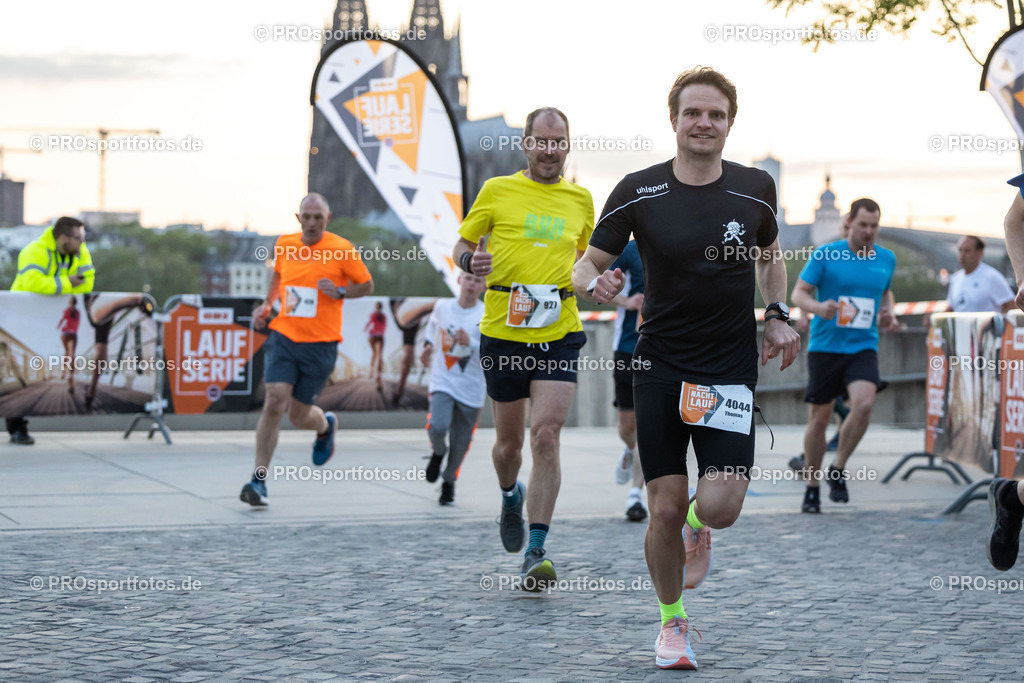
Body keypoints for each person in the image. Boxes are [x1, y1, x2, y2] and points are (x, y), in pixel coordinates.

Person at [572, 67, 800, 670]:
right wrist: (598, 280)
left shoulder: (755, 189)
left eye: (716, 115)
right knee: (663, 506)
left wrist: (776, 313)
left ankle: (701, 525)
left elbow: (771, 260)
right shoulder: (638, 190)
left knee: (719, 504)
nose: (704, 123)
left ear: (730, 124)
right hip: (660, 365)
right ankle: (673, 624)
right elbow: (582, 265)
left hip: (728, 368)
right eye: (693, 113)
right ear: (673, 119)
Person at [453, 106, 594, 590]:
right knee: (509, 446)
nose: (550, 150)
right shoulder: (497, 191)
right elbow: (460, 247)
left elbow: (586, 265)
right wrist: (472, 258)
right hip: (503, 331)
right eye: (542, 141)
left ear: (567, 145)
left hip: (559, 329)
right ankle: (510, 493)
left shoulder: (581, 200)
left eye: (559, 142)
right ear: (527, 144)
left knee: (546, 437)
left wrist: (604, 281)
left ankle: (536, 549)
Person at [240, 193, 374, 506]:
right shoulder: (285, 244)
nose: (312, 222)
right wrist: (267, 304)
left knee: (299, 416)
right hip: (285, 335)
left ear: (328, 218)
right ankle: (258, 481)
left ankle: (325, 425)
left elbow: (367, 285)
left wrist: (340, 290)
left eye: (318, 217)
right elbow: (278, 274)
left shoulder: (342, 249)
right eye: (306, 217)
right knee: (274, 402)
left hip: (321, 344)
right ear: (298, 218)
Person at [791, 198, 899, 514]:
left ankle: (837, 468)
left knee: (864, 404)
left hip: (864, 345)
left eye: (874, 226)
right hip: (825, 347)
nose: (868, 231)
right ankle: (812, 487)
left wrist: (888, 311)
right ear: (849, 222)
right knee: (820, 419)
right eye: (863, 225)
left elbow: (886, 290)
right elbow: (799, 293)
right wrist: (817, 308)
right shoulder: (826, 253)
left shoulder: (887, 258)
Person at [8, 217, 93, 445]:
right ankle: (17, 427)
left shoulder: (79, 252)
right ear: (64, 238)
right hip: (23, 316)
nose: (82, 242)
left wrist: (58, 287)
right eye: (78, 238)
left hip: (53, 317)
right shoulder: (34, 251)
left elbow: (88, 282)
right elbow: (32, 282)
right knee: (21, 371)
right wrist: (67, 284)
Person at [420, 272, 487, 505]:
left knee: (460, 444)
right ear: (459, 280)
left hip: (471, 387)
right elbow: (432, 328)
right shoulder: (442, 307)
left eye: (478, 281)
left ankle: (449, 481)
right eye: (468, 278)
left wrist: (472, 343)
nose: (471, 284)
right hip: (443, 381)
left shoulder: (486, 314)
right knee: (437, 426)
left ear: (484, 286)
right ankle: (438, 452)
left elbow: (493, 354)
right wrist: (428, 345)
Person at [608, 239, 648, 521]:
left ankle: (635, 494)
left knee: (650, 425)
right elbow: (599, 288)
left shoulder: (675, 240)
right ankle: (630, 449)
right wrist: (627, 300)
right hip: (626, 346)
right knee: (628, 426)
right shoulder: (628, 250)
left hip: (662, 347)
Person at [947, 235, 1015, 313]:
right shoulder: (955, 278)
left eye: (967, 251)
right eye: (960, 250)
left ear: (980, 252)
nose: (962, 255)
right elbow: (951, 308)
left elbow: (1011, 306)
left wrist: (998, 323)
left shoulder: (992, 277)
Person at [57, 296, 80, 393]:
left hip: (66, 334)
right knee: (71, 354)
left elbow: (62, 320)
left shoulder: (68, 311)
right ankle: (70, 375)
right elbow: (77, 323)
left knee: (67, 353)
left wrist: (59, 326)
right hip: (71, 334)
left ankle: (64, 373)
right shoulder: (77, 312)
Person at [365, 302, 387, 391]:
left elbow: (383, 326)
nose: (377, 310)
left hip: (378, 337)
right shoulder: (375, 315)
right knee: (377, 354)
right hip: (374, 337)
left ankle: (375, 372)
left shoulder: (382, 316)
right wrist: (367, 329)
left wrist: (368, 329)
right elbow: (370, 323)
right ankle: (374, 372)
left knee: (377, 354)